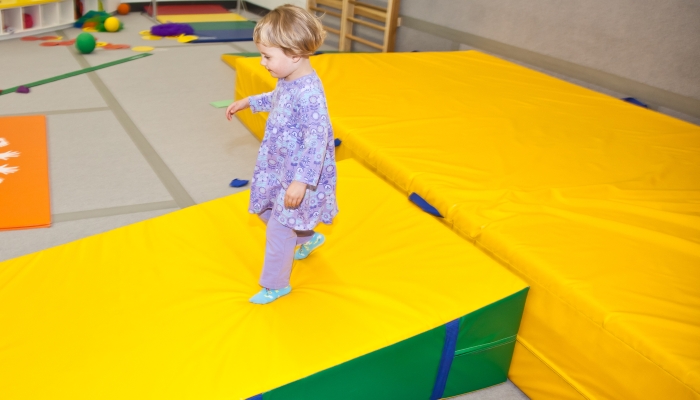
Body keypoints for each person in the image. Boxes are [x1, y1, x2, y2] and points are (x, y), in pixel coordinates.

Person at [225, 5, 338, 305]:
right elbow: (277, 98)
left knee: (278, 227)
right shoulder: (288, 79)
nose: (262, 62)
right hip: (279, 165)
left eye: (267, 56)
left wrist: (301, 182)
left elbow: (318, 140)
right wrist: (249, 101)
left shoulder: (310, 94)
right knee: (265, 208)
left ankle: (276, 284)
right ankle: (307, 238)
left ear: (295, 55)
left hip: (301, 172)